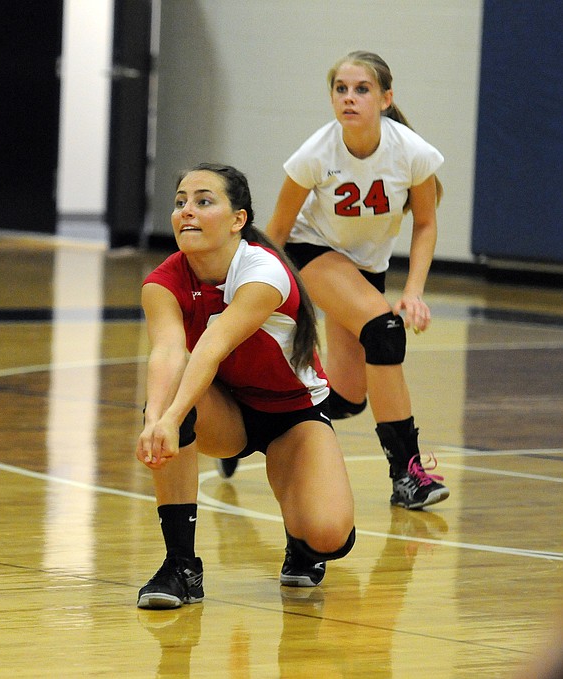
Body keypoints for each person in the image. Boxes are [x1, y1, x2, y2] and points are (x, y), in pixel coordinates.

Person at [135, 162, 355, 609]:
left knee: (328, 535)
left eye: (203, 201)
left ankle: (301, 537)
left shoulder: (263, 271)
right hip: (227, 413)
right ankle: (181, 566)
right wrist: (158, 420)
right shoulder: (162, 282)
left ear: (239, 220)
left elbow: (212, 347)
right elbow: (167, 354)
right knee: (171, 399)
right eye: (180, 203)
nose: (187, 212)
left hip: (293, 414)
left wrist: (171, 416)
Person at [254, 50, 450, 510]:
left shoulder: (412, 152)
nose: (349, 97)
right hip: (312, 251)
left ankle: (259, 420)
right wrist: (260, 297)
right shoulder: (315, 154)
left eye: (361, 89)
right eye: (340, 89)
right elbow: (277, 232)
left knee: (348, 395)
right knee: (384, 331)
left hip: (366, 269)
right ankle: (408, 475)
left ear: (385, 98)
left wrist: (414, 291)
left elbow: (425, 223)